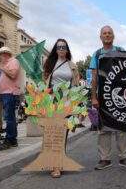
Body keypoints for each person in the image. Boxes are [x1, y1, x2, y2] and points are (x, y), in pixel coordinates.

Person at [90, 25, 126, 170]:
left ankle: (124, 157)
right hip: (103, 96)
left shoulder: (121, 51)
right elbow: (94, 77)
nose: (107, 35)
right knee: (103, 129)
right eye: (104, 33)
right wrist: (94, 97)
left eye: (109, 33)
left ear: (113, 36)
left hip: (121, 95)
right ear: (100, 37)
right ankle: (105, 159)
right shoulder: (97, 55)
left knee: (122, 127)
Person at [43, 38, 79, 178]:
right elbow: (44, 82)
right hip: (52, 102)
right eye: (59, 47)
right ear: (56, 49)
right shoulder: (50, 63)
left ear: (67, 49)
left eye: (64, 47)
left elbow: (76, 85)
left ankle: (57, 164)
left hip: (66, 102)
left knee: (62, 134)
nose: (62, 49)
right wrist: (48, 90)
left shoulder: (72, 65)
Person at [0, 46, 21, 152]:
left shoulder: (13, 61)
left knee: (9, 117)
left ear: (5, 54)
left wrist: (2, 68)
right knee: (9, 117)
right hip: (6, 93)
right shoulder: (7, 64)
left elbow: (13, 74)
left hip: (10, 93)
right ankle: (13, 139)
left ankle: (10, 139)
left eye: (0, 55)